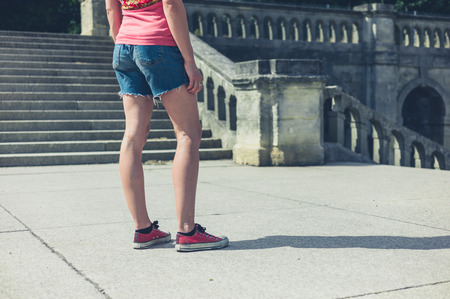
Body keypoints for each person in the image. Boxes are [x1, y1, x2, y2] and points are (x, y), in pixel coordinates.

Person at [105, 0, 228, 252]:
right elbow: (171, 5)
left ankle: (144, 230)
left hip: (123, 46)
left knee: (132, 136)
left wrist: (126, 43)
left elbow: (111, 10)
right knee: (188, 135)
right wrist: (189, 61)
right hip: (159, 44)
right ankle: (187, 231)